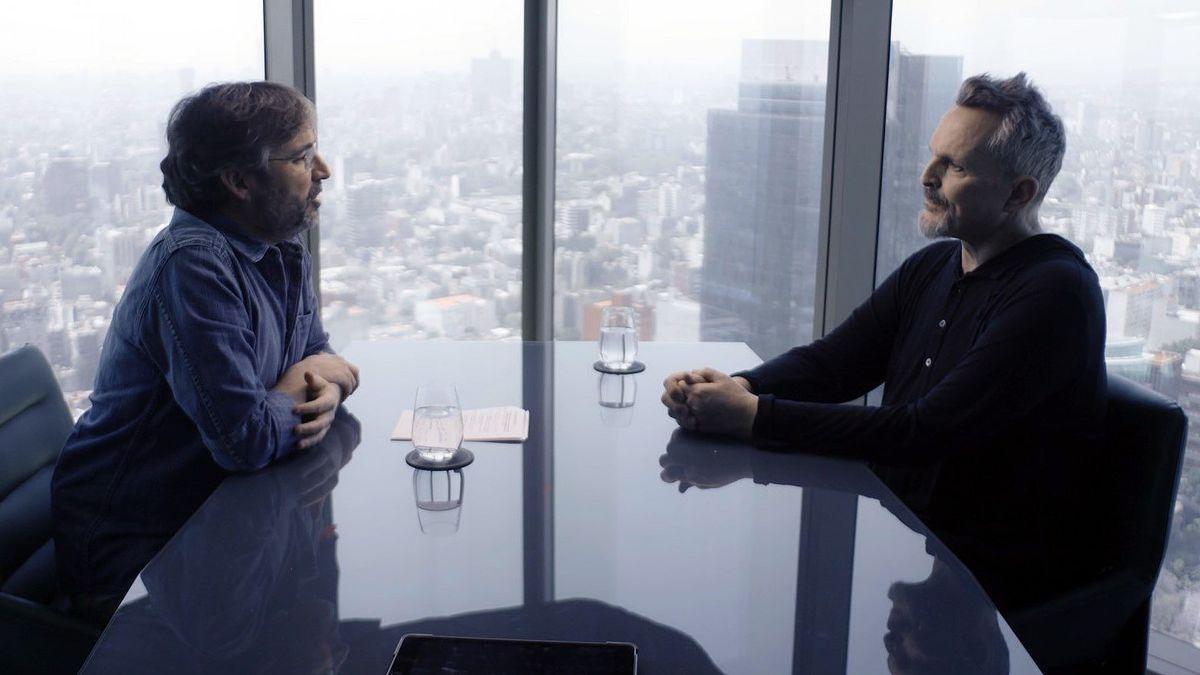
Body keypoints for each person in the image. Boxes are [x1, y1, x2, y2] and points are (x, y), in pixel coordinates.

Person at [661, 73, 1108, 610]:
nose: (927, 177)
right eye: (932, 156)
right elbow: (836, 364)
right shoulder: (936, 264)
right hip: (903, 527)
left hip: (990, 576)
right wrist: (735, 386)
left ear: (1019, 193)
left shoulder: (1056, 293)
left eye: (955, 166)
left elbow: (925, 431)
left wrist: (751, 415)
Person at [51, 81, 360, 624]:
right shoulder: (193, 265)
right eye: (302, 156)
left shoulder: (279, 248)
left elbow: (319, 357)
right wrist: (308, 382)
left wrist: (326, 383)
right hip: (142, 554)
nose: (324, 170)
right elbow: (245, 442)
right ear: (240, 181)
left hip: (218, 514)